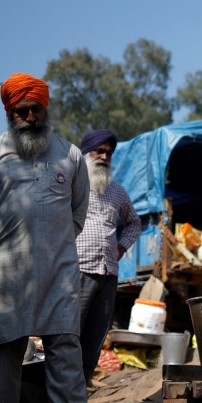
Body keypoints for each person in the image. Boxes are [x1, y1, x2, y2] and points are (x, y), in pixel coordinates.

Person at [0, 73, 111, 403]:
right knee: (7, 352)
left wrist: (50, 245)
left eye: (35, 109)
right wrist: (2, 246)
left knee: (65, 346)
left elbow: (77, 213)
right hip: (3, 273)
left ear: (46, 108)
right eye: (20, 111)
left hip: (57, 271)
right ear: (10, 113)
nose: (29, 117)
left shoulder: (70, 155)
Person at [76, 129, 141, 385]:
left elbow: (134, 223)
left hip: (109, 274)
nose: (104, 156)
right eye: (99, 151)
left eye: (109, 153)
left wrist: (121, 248)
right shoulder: (70, 186)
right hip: (77, 271)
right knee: (70, 340)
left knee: (94, 343)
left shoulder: (116, 191)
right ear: (84, 154)